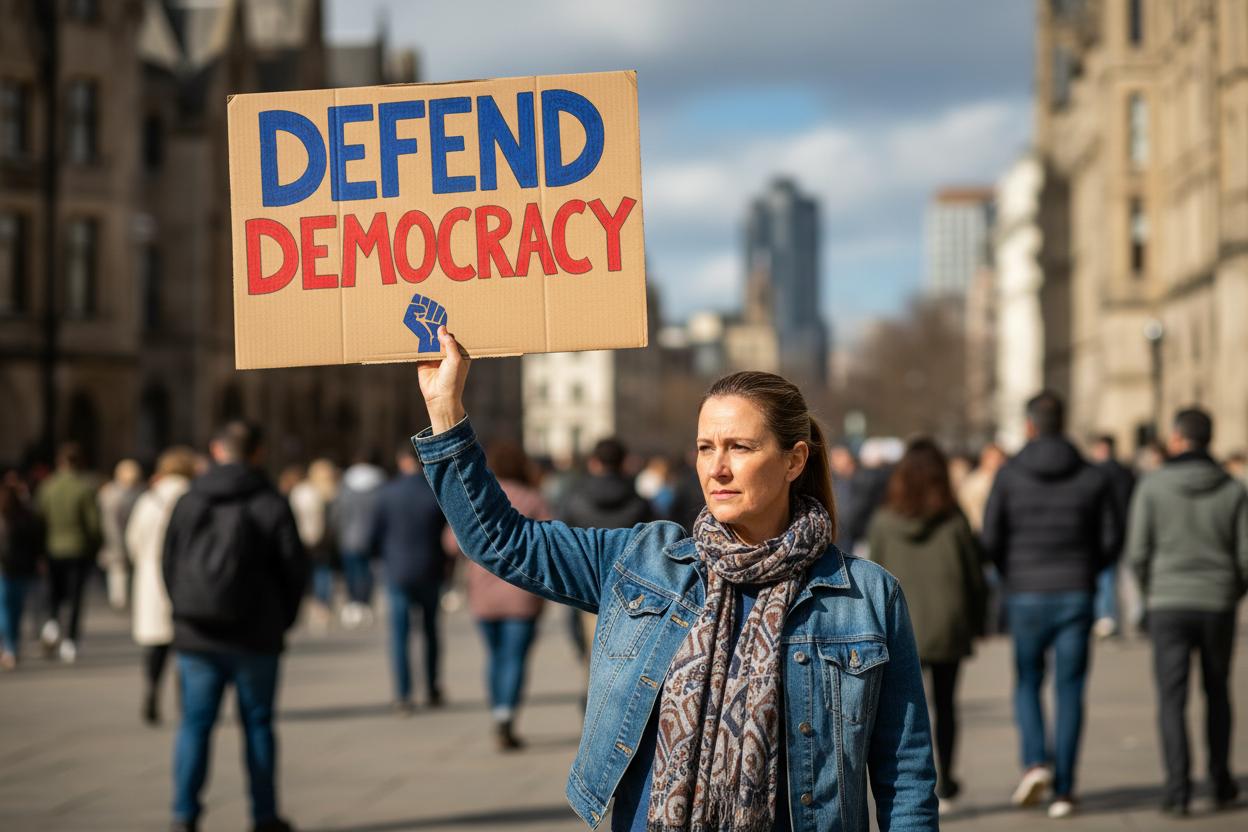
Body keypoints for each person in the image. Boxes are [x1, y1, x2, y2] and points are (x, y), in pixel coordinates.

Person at [413, 326, 938, 832]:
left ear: (794, 460)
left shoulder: (866, 596)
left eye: (740, 447)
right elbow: (503, 541)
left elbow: (905, 776)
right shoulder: (645, 562)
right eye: (706, 447)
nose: (717, 468)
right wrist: (445, 411)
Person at [162, 420, 308, 832]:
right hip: (257, 636)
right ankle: (264, 816)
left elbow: (168, 563)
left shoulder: (189, 500)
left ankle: (184, 815)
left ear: (215, 450)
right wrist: (281, 621)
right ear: (259, 452)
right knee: (258, 725)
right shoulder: (272, 502)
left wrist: (185, 611)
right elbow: (294, 571)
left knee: (194, 724)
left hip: (197, 635)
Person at [982, 391, 1122, 819]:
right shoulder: (1092, 476)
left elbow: (990, 538)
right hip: (1076, 591)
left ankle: (1034, 764)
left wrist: (1012, 574)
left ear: (1029, 426)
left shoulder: (1008, 475)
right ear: (1063, 423)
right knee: (1070, 689)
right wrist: (1087, 571)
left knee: (1027, 681)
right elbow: (1111, 538)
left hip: (1025, 593)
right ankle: (1064, 790)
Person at [1126, 408, 1247, 816]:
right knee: (1218, 693)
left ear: (1177, 438)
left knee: (1171, 699)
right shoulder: (1232, 488)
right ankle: (1220, 780)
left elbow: (1138, 551)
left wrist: (1152, 590)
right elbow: (1246, 555)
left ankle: (1178, 790)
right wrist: (1231, 590)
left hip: (1168, 603)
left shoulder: (1152, 486)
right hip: (1217, 601)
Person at [868, 438, 985, 814]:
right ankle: (947, 782)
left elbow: (873, 579)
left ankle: (912, 792)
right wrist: (977, 619)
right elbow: (973, 574)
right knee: (947, 707)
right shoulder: (954, 518)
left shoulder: (884, 522)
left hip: (902, 628)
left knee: (902, 715)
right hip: (947, 622)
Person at [444, 441, 551, 748]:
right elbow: (552, 541)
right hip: (523, 592)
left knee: (494, 656)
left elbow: (451, 543)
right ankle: (506, 715)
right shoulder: (533, 498)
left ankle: (497, 711)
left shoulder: (476, 497)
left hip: (483, 592)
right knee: (514, 657)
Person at [368, 444, 448, 713]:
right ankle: (432, 687)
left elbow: (375, 533)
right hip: (430, 568)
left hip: (397, 571)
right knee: (430, 631)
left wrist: (380, 559)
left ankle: (403, 694)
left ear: (401, 460)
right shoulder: (434, 490)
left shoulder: (387, 492)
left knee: (400, 636)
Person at [125, 446, 196, 725]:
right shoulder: (195, 497)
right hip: (187, 577)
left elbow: (133, 541)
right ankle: (185, 699)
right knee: (186, 644)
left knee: (156, 645)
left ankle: (152, 690)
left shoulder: (148, 500)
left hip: (152, 576)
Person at [34, 441, 101, 663]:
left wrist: (38, 550)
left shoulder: (47, 486)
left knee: (53, 592)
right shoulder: (84, 487)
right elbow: (93, 524)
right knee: (75, 597)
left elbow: (38, 520)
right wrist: (95, 546)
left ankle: (52, 624)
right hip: (78, 549)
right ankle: (70, 641)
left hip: (52, 548)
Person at [331, 451, 386, 629]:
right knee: (367, 572)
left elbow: (337, 513)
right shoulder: (380, 484)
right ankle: (365, 604)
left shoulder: (345, 485)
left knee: (351, 572)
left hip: (349, 536)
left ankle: (354, 604)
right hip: (370, 536)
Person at [1088, 435, 1136, 638]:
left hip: (1104, 531)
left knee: (1106, 576)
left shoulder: (1096, 474)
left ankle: (1107, 616)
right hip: (1127, 528)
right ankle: (1133, 614)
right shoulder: (1127, 473)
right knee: (1125, 576)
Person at [288, 459, 339, 634]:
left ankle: (316, 607)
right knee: (324, 572)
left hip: (306, 539)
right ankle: (324, 607)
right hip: (325, 541)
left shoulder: (304, 491)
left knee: (311, 573)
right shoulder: (332, 492)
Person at [0, 474, 44, 669]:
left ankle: (9, 646)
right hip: (22, 570)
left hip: (6, 570)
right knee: (16, 610)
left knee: (6, 609)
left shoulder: (8, 517)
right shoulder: (26, 515)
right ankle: (11, 645)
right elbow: (36, 543)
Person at [97, 459, 144, 610]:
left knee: (122, 574)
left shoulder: (137, 492)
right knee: (119, 574)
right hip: (117, 541)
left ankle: (123, 601)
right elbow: (109, 524)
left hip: (125, 540)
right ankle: (121, 602)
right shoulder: (112, 494)